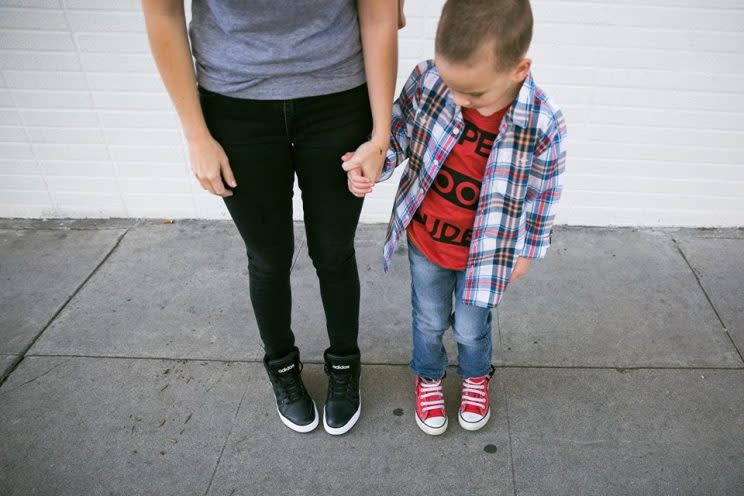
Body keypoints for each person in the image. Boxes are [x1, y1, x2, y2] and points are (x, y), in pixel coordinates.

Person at [142, 0, 399, 435]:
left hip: (338, 97)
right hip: (236, 104)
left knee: (334, 250)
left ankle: (344, 364)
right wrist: (196, 134)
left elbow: (379, 13)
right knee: (268, 256)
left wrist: (381, 133)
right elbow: (161, 12)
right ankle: (281, 368)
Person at [343, 0, 567, 435]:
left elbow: (544, 193)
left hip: (486, 253)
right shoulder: (429, 81)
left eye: (475, 94)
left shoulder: (542, 121)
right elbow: (399, 132)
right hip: (427, 240)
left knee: (470, 326)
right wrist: (377, 163)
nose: (459, 100)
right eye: (452, 85)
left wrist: (529, 250)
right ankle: (428, 377)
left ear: (518, 70)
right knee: (427, 318)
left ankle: (475, 377)